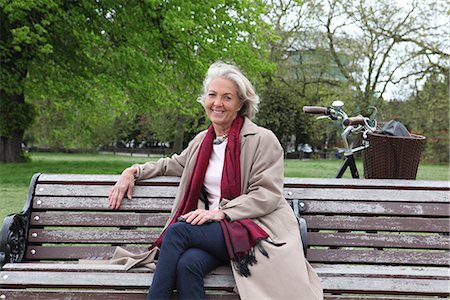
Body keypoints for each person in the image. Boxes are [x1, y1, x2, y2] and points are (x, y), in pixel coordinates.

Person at [108, 61, 323, 300]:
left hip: (253, 230)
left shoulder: (262, 139)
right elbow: (172, 164)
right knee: (187, 264)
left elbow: (267, 194)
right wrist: (133, 171)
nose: (217, 103)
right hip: (217, 234)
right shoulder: (202, 141)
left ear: (241, 103)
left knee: (178, 233)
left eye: (227, 97)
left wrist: (221, 213)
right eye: (212, 95)